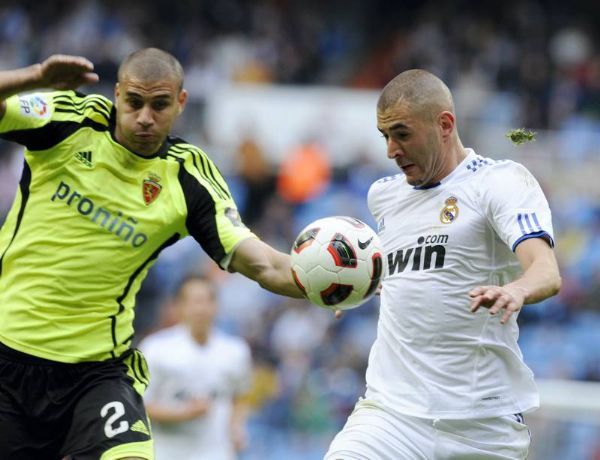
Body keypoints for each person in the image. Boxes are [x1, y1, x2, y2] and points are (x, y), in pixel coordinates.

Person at [0, 49, 302, 460]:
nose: (145, 117)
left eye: (159, 105)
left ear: (180, 102)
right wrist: (34, 76)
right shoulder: (69, 119)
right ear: (117, 94)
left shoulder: (186, 178)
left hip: (96, 372)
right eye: (134, 103)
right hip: (7, 354)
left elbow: (264, 262)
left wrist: (323, 286)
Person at [325, 69, 561, 459]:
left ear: (445, 124)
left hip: (482, 426)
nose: (391, 150)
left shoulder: (499, 182)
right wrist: (354, 284)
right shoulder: (384, 197)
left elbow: (546, 271)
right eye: (385, 136)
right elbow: (407, 273)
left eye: (402, 134)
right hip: (390, 416)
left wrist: (515, 290)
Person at [139, 275, 252, 460]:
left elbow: (240, 396)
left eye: (208, 300)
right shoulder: (154, 348)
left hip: (216, 452)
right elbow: (140, 407)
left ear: (217, 305)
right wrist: (185, 413)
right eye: (194, 301)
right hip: (167, 451)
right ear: (178, 306)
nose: (201, 308)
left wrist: (237, 427)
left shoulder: (236, 351)